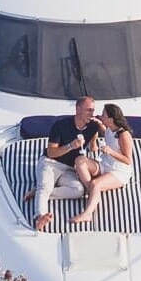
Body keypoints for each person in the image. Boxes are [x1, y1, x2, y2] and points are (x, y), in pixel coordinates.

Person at [33, 94, 99, 231]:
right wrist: (71, 146)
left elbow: (97, 134)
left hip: (68, 169)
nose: (92, 114)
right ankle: (39, 217)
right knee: (44, 187)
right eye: (89, 110)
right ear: (78, 109)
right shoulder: (61, 125)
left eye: (93, 110)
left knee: (78, 190)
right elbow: (51, 152)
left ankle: (39, 194)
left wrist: (93, 143)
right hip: (50, 163)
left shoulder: (93, 126)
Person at [72, 105, 135, 227]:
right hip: (105, 165)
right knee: (80, 161)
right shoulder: (109, 129)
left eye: (104, 115)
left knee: (97, 184)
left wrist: (111, 152)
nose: (101, 116)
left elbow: (128, 160)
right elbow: (102, 129)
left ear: (111, 119)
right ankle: (92, 192)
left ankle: (88, 213)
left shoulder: (123, 135)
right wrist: (96, 122)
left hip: (119, 171)